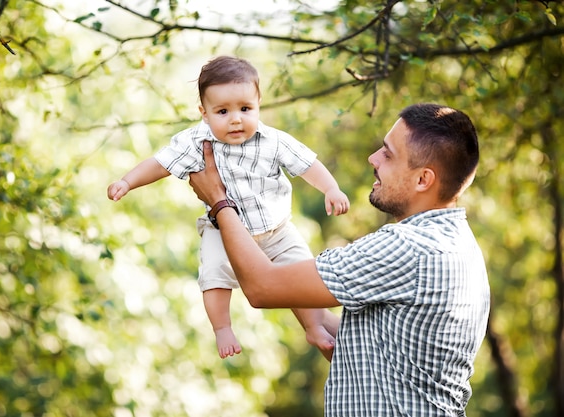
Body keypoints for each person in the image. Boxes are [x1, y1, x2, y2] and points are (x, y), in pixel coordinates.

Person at [188, 103, 491, 416]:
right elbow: (379, 351)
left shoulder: (408, 247)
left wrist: (220, 201)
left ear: (423, 179)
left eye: (388, 154)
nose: (373, 158)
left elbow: (262, 288)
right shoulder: (460, 246)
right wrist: (313, 321)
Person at [107, 56, 350, 360]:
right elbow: (160, 163)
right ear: (204, 114)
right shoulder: (195, 140)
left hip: (277, 230)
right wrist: (127, 182)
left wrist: (330, 188)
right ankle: (222, 327)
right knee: (213, 274)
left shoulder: (273, 140)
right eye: (222, 111)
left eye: (245, 109)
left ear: (258, 104)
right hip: (223, 232)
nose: (236, 119)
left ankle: (314, 327)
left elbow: (307, 164)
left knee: (301, 273)